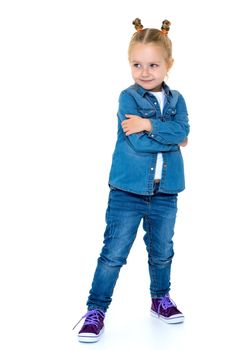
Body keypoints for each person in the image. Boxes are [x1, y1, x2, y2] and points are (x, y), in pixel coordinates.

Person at [73, 18, 190, 343]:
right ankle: (96, 310)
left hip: (165, 192)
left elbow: (184, 132)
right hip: (127, 192)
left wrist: (149, 126)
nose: (145, 71)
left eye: (153, 64)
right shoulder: (128, 98)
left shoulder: (178, 100)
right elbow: (139, 141)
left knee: (162, 251)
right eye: (137, 64)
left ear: (169, 65)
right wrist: (173, 138)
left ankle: (160, 299)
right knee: (113, 254)